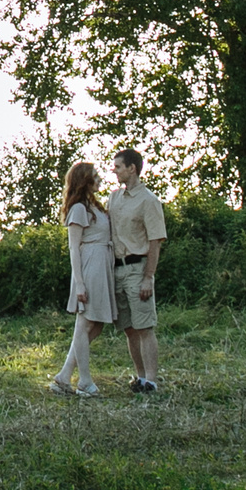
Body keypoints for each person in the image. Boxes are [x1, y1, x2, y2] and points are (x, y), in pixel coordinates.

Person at [98, 147, 166, 392]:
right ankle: (139, 377)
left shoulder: (149, 201)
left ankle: (151, 380)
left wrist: (149, 277)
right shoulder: (113, 198)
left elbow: (155, 241)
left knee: (144, 326)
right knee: (128, 328)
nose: (114, 171)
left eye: (117, 167)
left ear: (132, 169)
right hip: (117, 270)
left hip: (138, 269)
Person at [49, 159, 113, 396]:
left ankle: (63, 377)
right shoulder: (78, 209)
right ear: (85, 180)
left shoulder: (94, 206)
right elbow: (74, 248)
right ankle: (84, 381)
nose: (99, 179)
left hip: (102, 264)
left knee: (95, 324)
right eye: (95, 175)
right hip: (90, 267)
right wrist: (79, 283)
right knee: (85, 323)